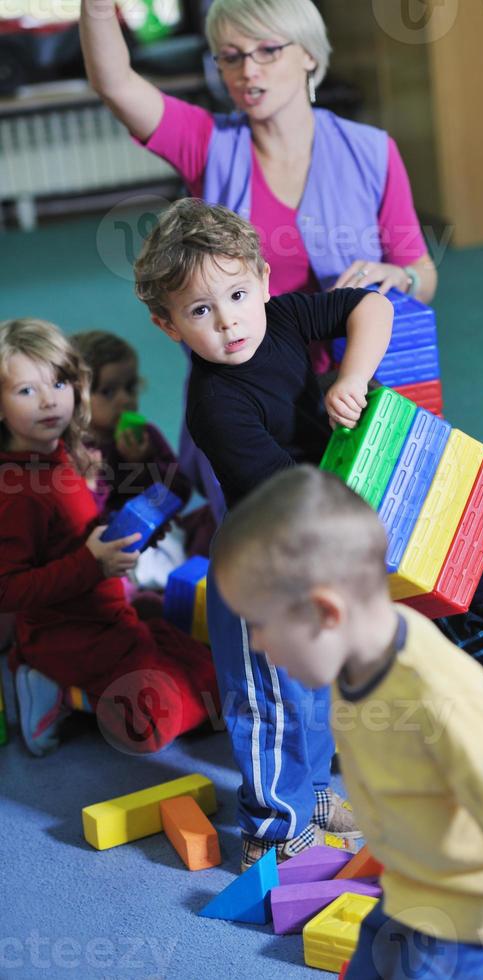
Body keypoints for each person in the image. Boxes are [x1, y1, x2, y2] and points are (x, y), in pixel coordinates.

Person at [212, 465, 483, 980]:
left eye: (261, 626)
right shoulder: (358, 662)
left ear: (326, 613)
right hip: (407, 892)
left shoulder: (440, 698)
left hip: (471, 932)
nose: (257, 645)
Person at [79, 0, 437, 518]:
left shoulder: (372, 150)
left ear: (310, 55)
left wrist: (399, 275)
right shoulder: (209, 143)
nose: (249, 70)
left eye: (268, 50)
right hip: (249, 402)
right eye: (230, 56)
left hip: (355, 395)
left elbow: (422, 276)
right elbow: (113, 81)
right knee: (277, 544)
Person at [134, 196, 394, 867]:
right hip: (264, 562)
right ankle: (272, 830)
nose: (228, 321)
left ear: (264, 281)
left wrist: (352, 376)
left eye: (238, 294)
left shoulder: (280, 319)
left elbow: (371, 305)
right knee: (269, 699)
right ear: (169, 327)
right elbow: (290, 498)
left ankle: (305, 797)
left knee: (311, 691)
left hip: (310, 537)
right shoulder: (216, 406)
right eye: (200, 311)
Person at [0, 318, 220, 757]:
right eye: (27, 391)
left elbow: (146, 501)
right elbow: (8, 588)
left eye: (59, 383)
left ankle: (62, 675)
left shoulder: (67, 453)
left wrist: (132, 472)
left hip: (110, 612)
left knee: (219, 673)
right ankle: (58, 688)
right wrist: (91, 563)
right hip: (72, 635)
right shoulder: (16, 491)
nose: (49, 401)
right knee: (158, 724)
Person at [71, 330, 216, 577]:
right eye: (108, 392)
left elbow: (180, 490)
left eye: (131, 387)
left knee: (212, 524)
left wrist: (142, 463)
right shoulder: (73, 447)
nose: (125, 400)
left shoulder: (146, 435)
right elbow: (78, 515)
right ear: (76, 395)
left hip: (154, 534)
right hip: (105, 543)